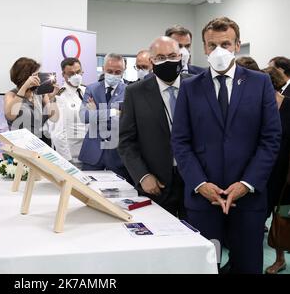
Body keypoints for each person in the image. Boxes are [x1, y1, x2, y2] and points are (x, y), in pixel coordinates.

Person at [171, 17, 281, 274]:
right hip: (203, 200)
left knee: (247, 266)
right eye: (212, 45)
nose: (219, 50)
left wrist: (246, 184)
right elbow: (180, 141)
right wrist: (200, 184)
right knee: (205, 267)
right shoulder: (190, 87)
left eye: (226, 44)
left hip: (248, 199)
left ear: (237, 45)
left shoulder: (259, 83)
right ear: (204, 48)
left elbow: (270, 138)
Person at [119, 37, 190, 217]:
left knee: (199, 237)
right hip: (156, 183)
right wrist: (142, 176)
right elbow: (126, 141)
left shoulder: (197, 86)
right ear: (151, 61)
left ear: (181, 57)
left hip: (195, 182)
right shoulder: (135, 92)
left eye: (172, 56)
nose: (167, 61)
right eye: (160, 57)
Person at [79, 53, 132, 183]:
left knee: (119, 194)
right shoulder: (92, 88)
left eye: (117, 71)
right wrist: (113, 112)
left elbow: (127, 121)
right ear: (103, 69)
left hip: (118, 154)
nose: (113, 74)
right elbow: (84, 116)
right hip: (92, 151)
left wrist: (96, 113)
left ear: (123, 72)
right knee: (88, 191)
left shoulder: (130, 91)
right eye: (109, 71)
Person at [261, 66, 290, 274]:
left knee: (283, 217)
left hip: (286, 172)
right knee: (260, 214)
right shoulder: (260, 106)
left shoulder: (288, 105)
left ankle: (280, 259)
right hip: (264, 170)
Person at [4, 57, 60, 146]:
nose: (38, 77)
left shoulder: (39, 94)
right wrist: (25, 86)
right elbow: (10, 115)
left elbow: (53, 115)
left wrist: (52, 96)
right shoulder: (11, 95)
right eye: (36, 75)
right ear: (25, 76)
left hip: (41, 143)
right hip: (21, 145)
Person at [49, 58, 87, 167]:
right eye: (71, 73)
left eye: (78, 72)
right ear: (63, 74)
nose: (76, 76)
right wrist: (67, 160)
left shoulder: (86, 91)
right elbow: (57, 133)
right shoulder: (60, 96)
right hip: (72, 157)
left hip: (89, 154)